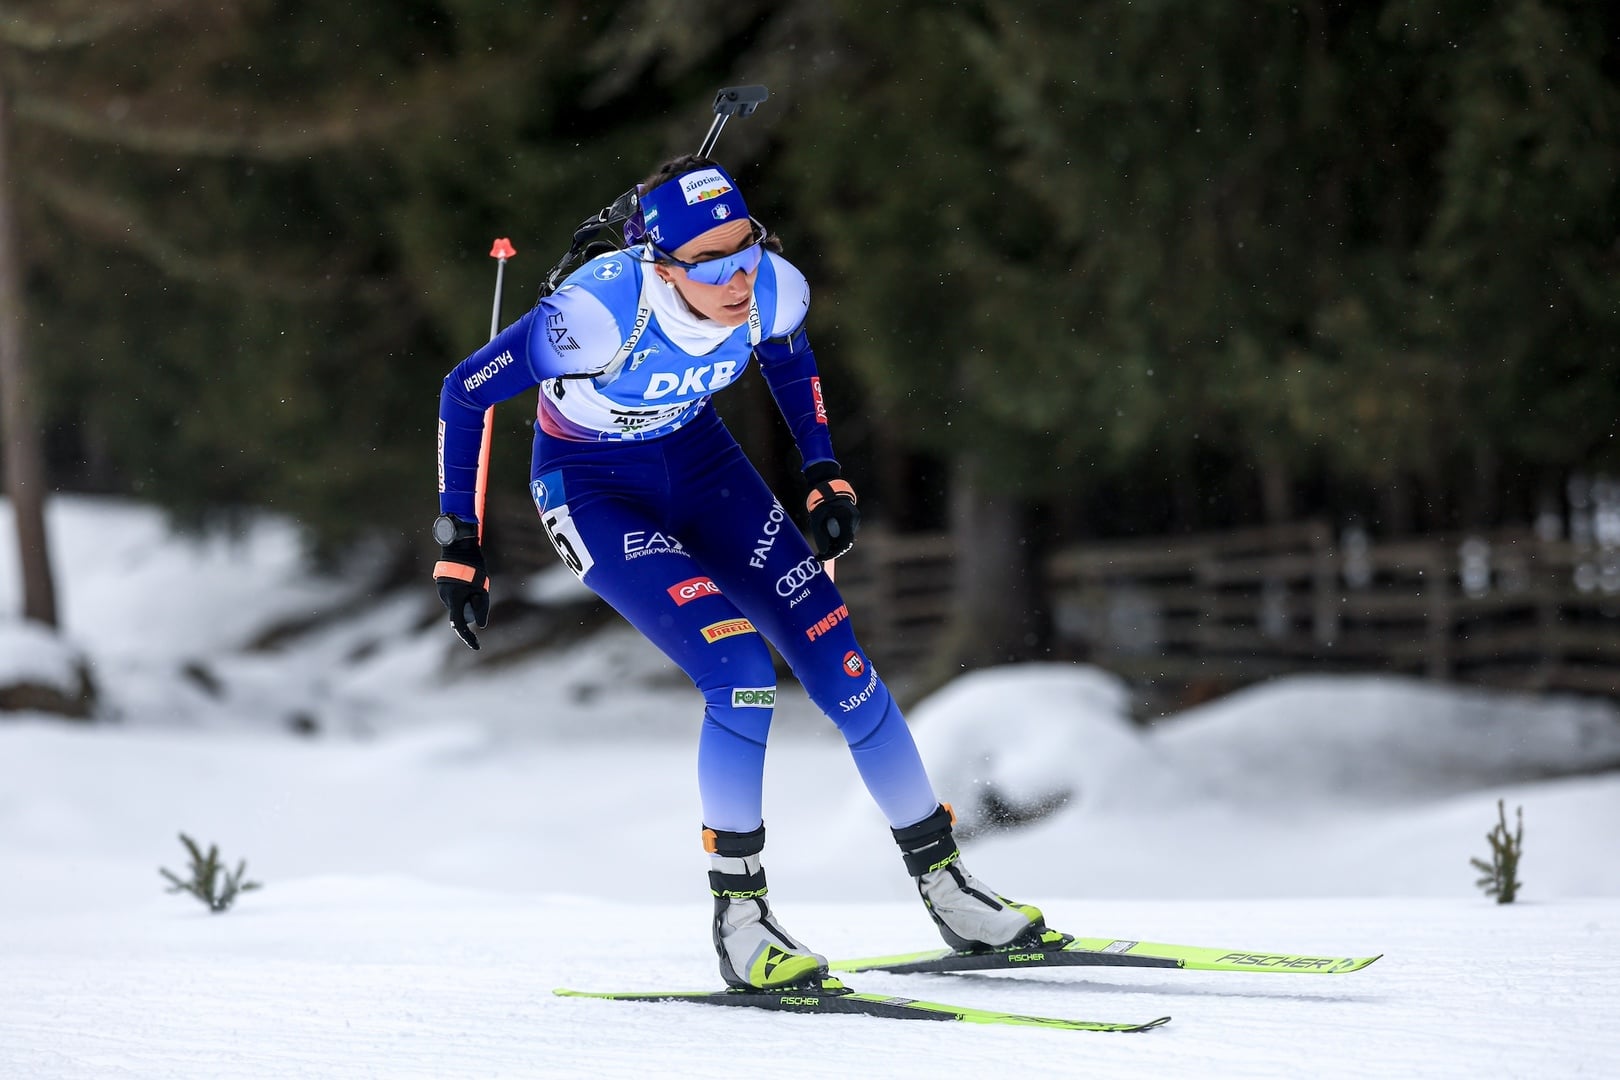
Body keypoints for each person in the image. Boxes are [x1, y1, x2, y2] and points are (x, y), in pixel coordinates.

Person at [432, 155, 1044, 989]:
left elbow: (789, 357)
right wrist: (459, 540)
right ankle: (742, 920)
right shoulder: (597, 313)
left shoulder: (774, 286)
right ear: (660, 263)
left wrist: (822, 468)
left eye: (746, 250)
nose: (736, 278)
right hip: (595, 489)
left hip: (704, 468)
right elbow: (465, 390)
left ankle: (949, 889)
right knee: (742, 674)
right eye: (711, 263)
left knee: (846, 670)